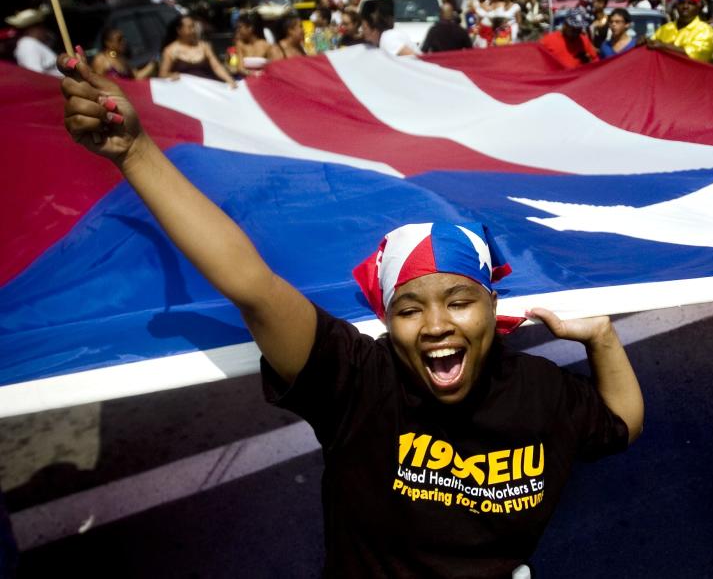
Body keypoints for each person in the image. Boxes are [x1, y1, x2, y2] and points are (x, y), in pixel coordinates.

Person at [57, 54, 645, 576]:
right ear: (387, 322)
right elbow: (252, 285)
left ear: (492, 306)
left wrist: (603, 339)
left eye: (459, 301)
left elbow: (620, 425)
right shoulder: (357, 381)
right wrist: (134, 152)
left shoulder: (541, 392)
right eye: (409, 308)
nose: (437, 324)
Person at [159, 15, 236, 87]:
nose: (193, 30)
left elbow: (216, 67)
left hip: (208, 87)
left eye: (194, 27)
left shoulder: (204, 46)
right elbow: (162, 74)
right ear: (179, 30)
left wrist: (229, 80)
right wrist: (171, 75)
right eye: (190, 27)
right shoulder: (170, 50)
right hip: (186, 91)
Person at [646, 0, 713, 63]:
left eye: (690, 3)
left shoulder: (705, 30)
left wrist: (664, 46)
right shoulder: (665, 28)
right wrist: (645, 42)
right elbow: (652, 45)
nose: (685, 6)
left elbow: (698, 55)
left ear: (698, 7)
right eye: (682, 2)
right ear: (676, 5)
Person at [5, 8, 60, 77]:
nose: (44, 30)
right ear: (31, 29)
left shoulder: (33, 43)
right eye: (40, 26)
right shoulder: (27, 44)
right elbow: (36, 75)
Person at [91, 27, 155, 79]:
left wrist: (152, 64)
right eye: (119, 39)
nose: (123, 42)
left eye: (124, 38)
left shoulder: (123, 59)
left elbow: (136, 77)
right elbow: (97, 82)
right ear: (108, 43)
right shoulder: (100, 59)